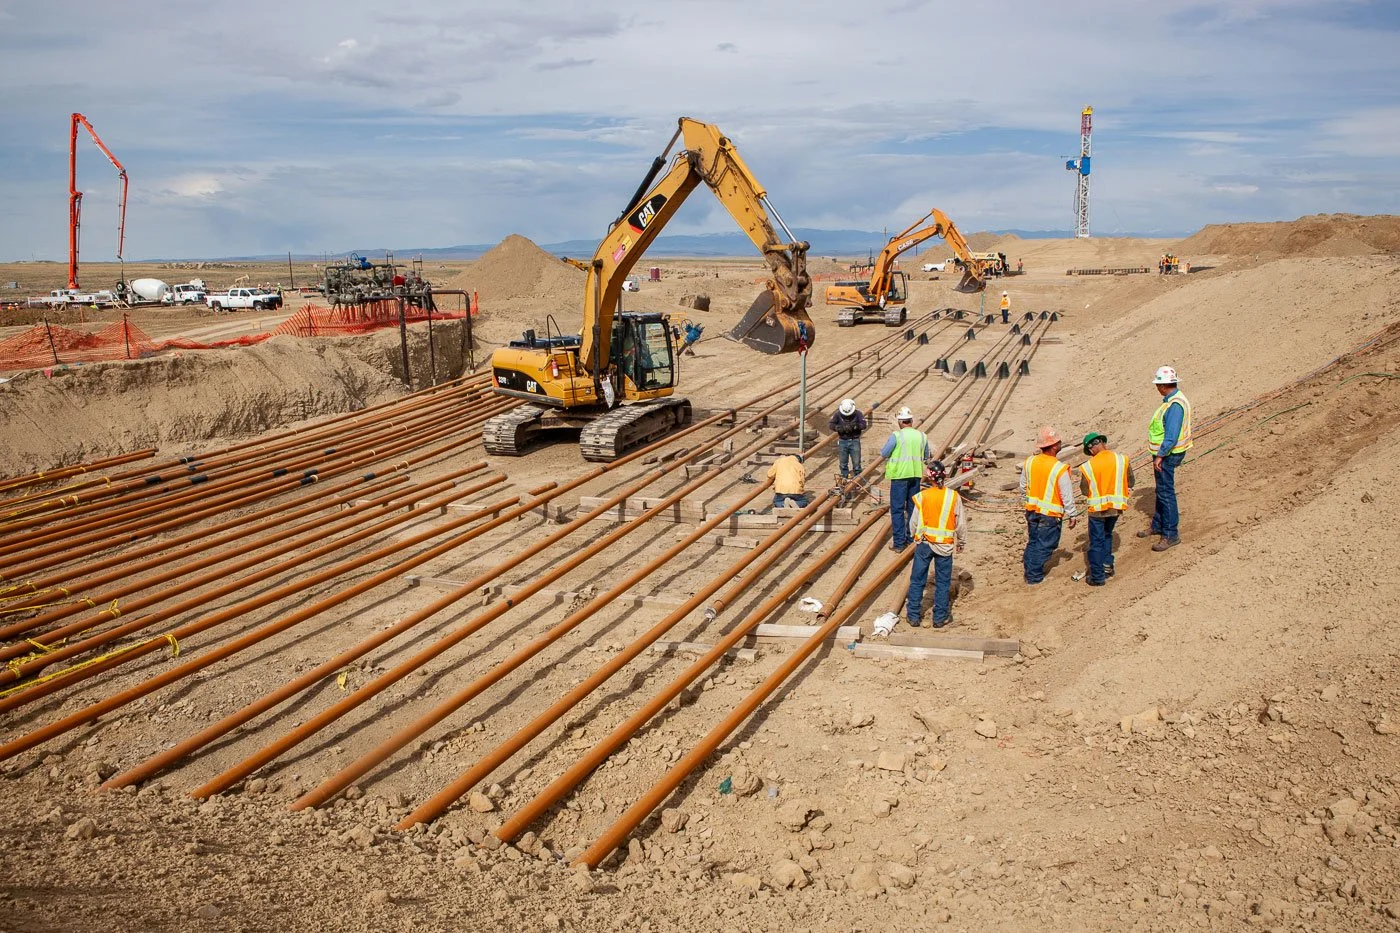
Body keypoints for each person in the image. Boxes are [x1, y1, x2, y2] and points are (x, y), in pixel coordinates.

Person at [905, 461, 965, 627]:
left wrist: (913, 536)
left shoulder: (923, 496)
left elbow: (914, 521)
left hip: (924, 544)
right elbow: (960, 523)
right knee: (943, 582)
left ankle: (913, 616)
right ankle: (939, 618)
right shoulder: (953, 496)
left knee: (917, 580)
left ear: (929, 477)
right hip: (945, 546)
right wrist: (961, 540)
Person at [1141, 365, 1192, 551]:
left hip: (1168, 454)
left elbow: (1171, 435)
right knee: (1161, 490)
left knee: (1166, 492)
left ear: (1162, 386)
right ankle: (1158, 525)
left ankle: (1170, 534)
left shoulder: (1175, 405)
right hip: (1165, 453)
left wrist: (1160, 455)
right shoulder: (1173, 400)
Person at [1020, 425, 1078, 584]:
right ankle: (1034, 576)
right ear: (1053, 447)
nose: (1060, 444)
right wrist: (1072, 513)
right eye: (1058, 442)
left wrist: (1029, 500)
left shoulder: (1030, 462)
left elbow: (1023, 486)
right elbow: (1066, 494)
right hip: (1050, 515)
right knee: (1045, 545)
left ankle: (1029, 568)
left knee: (1033, 540)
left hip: (1031, 510)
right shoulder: (1059, 468)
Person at [1078, 432, 1134, 585]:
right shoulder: (1122, 459)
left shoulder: (1088, 466)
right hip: (1116, 507)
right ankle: (1107, 566)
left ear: (1091, 450)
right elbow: (1131, 481)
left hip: (1097, 510)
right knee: (1107, 534)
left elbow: (1084, 489)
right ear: (1103, 443)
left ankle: (1097, 577)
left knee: (1096, 542)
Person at [880, 407, 931, 552]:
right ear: (911, 421)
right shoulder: (922, 436)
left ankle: (899, 543)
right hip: (915, 476)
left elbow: (884, 453)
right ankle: (911, 539)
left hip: (899, 477)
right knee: (912, 509)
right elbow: (926, 455)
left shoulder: (896, 436)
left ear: (900, 422)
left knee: (897, 510)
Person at [827, 398, 868, 482]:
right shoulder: (838, 415)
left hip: (854, 440)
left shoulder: (858, 414)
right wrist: (838, 428)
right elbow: (831, 424)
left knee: (856, 462)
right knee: (843, 462)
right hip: (843, 441)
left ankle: (857, 479)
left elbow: (864, 425)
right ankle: (844, 477)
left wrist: (855, 426)